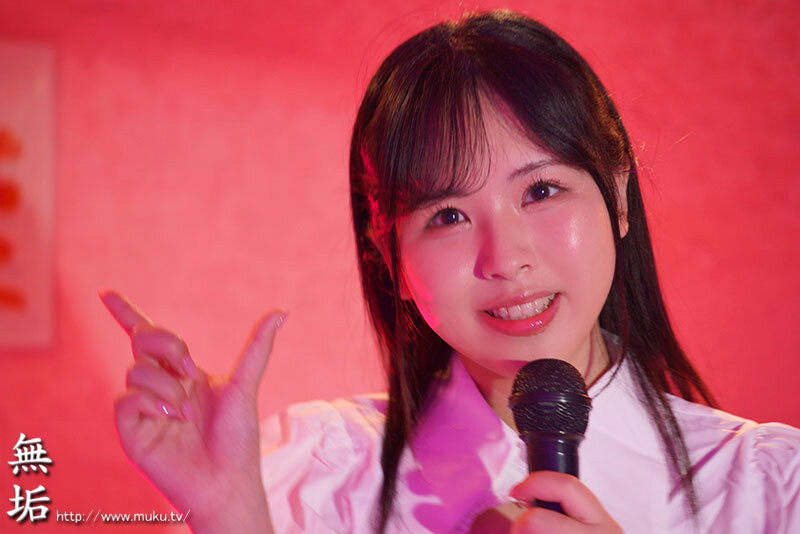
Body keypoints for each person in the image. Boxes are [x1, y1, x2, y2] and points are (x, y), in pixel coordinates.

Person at [100, 9, 800, 534]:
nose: (506, 260)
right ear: (390, 256)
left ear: (618, 198)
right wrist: (231, 516)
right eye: (448, 216)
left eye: (542, 191)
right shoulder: (310, 475)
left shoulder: (769, 490)